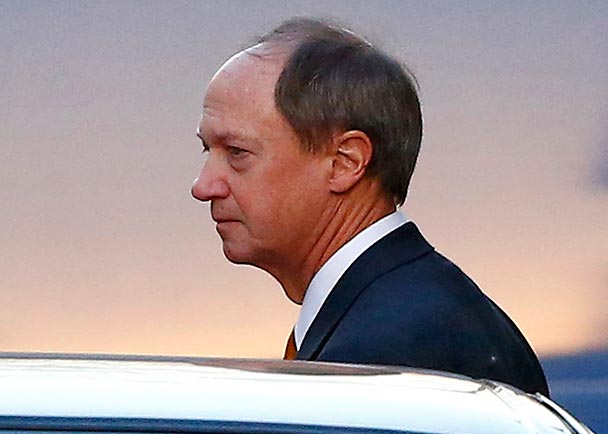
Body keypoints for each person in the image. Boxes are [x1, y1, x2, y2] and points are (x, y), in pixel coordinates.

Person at [191, 17, 549, 396]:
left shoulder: (380, 360)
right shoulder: (413, 313)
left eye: (237, 152)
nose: (203, 186)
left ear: (345, 162)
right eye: (207, 149)